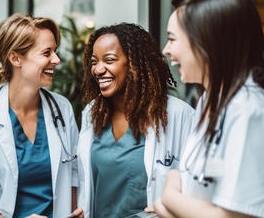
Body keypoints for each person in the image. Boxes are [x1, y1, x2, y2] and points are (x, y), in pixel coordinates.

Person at [154, 0, 264, 217]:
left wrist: (167, 198)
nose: (166, 50)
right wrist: (172, 183)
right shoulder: (208, 102)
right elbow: (183, 175)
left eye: (172, 39)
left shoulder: (250, 112)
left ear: (206, 43)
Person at [0, 13, 83, 218]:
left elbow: (73, 173)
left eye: (55, 51)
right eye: (47, 53)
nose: (57, 59)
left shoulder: (61, 108)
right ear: (16, 58)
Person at [77, 23, 195, 217]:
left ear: (134, 64)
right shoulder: (93, 113)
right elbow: (83, 182)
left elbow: (194, 184)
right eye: (94, 62)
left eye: (109, 60)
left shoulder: (177, 114)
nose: (98, 69)